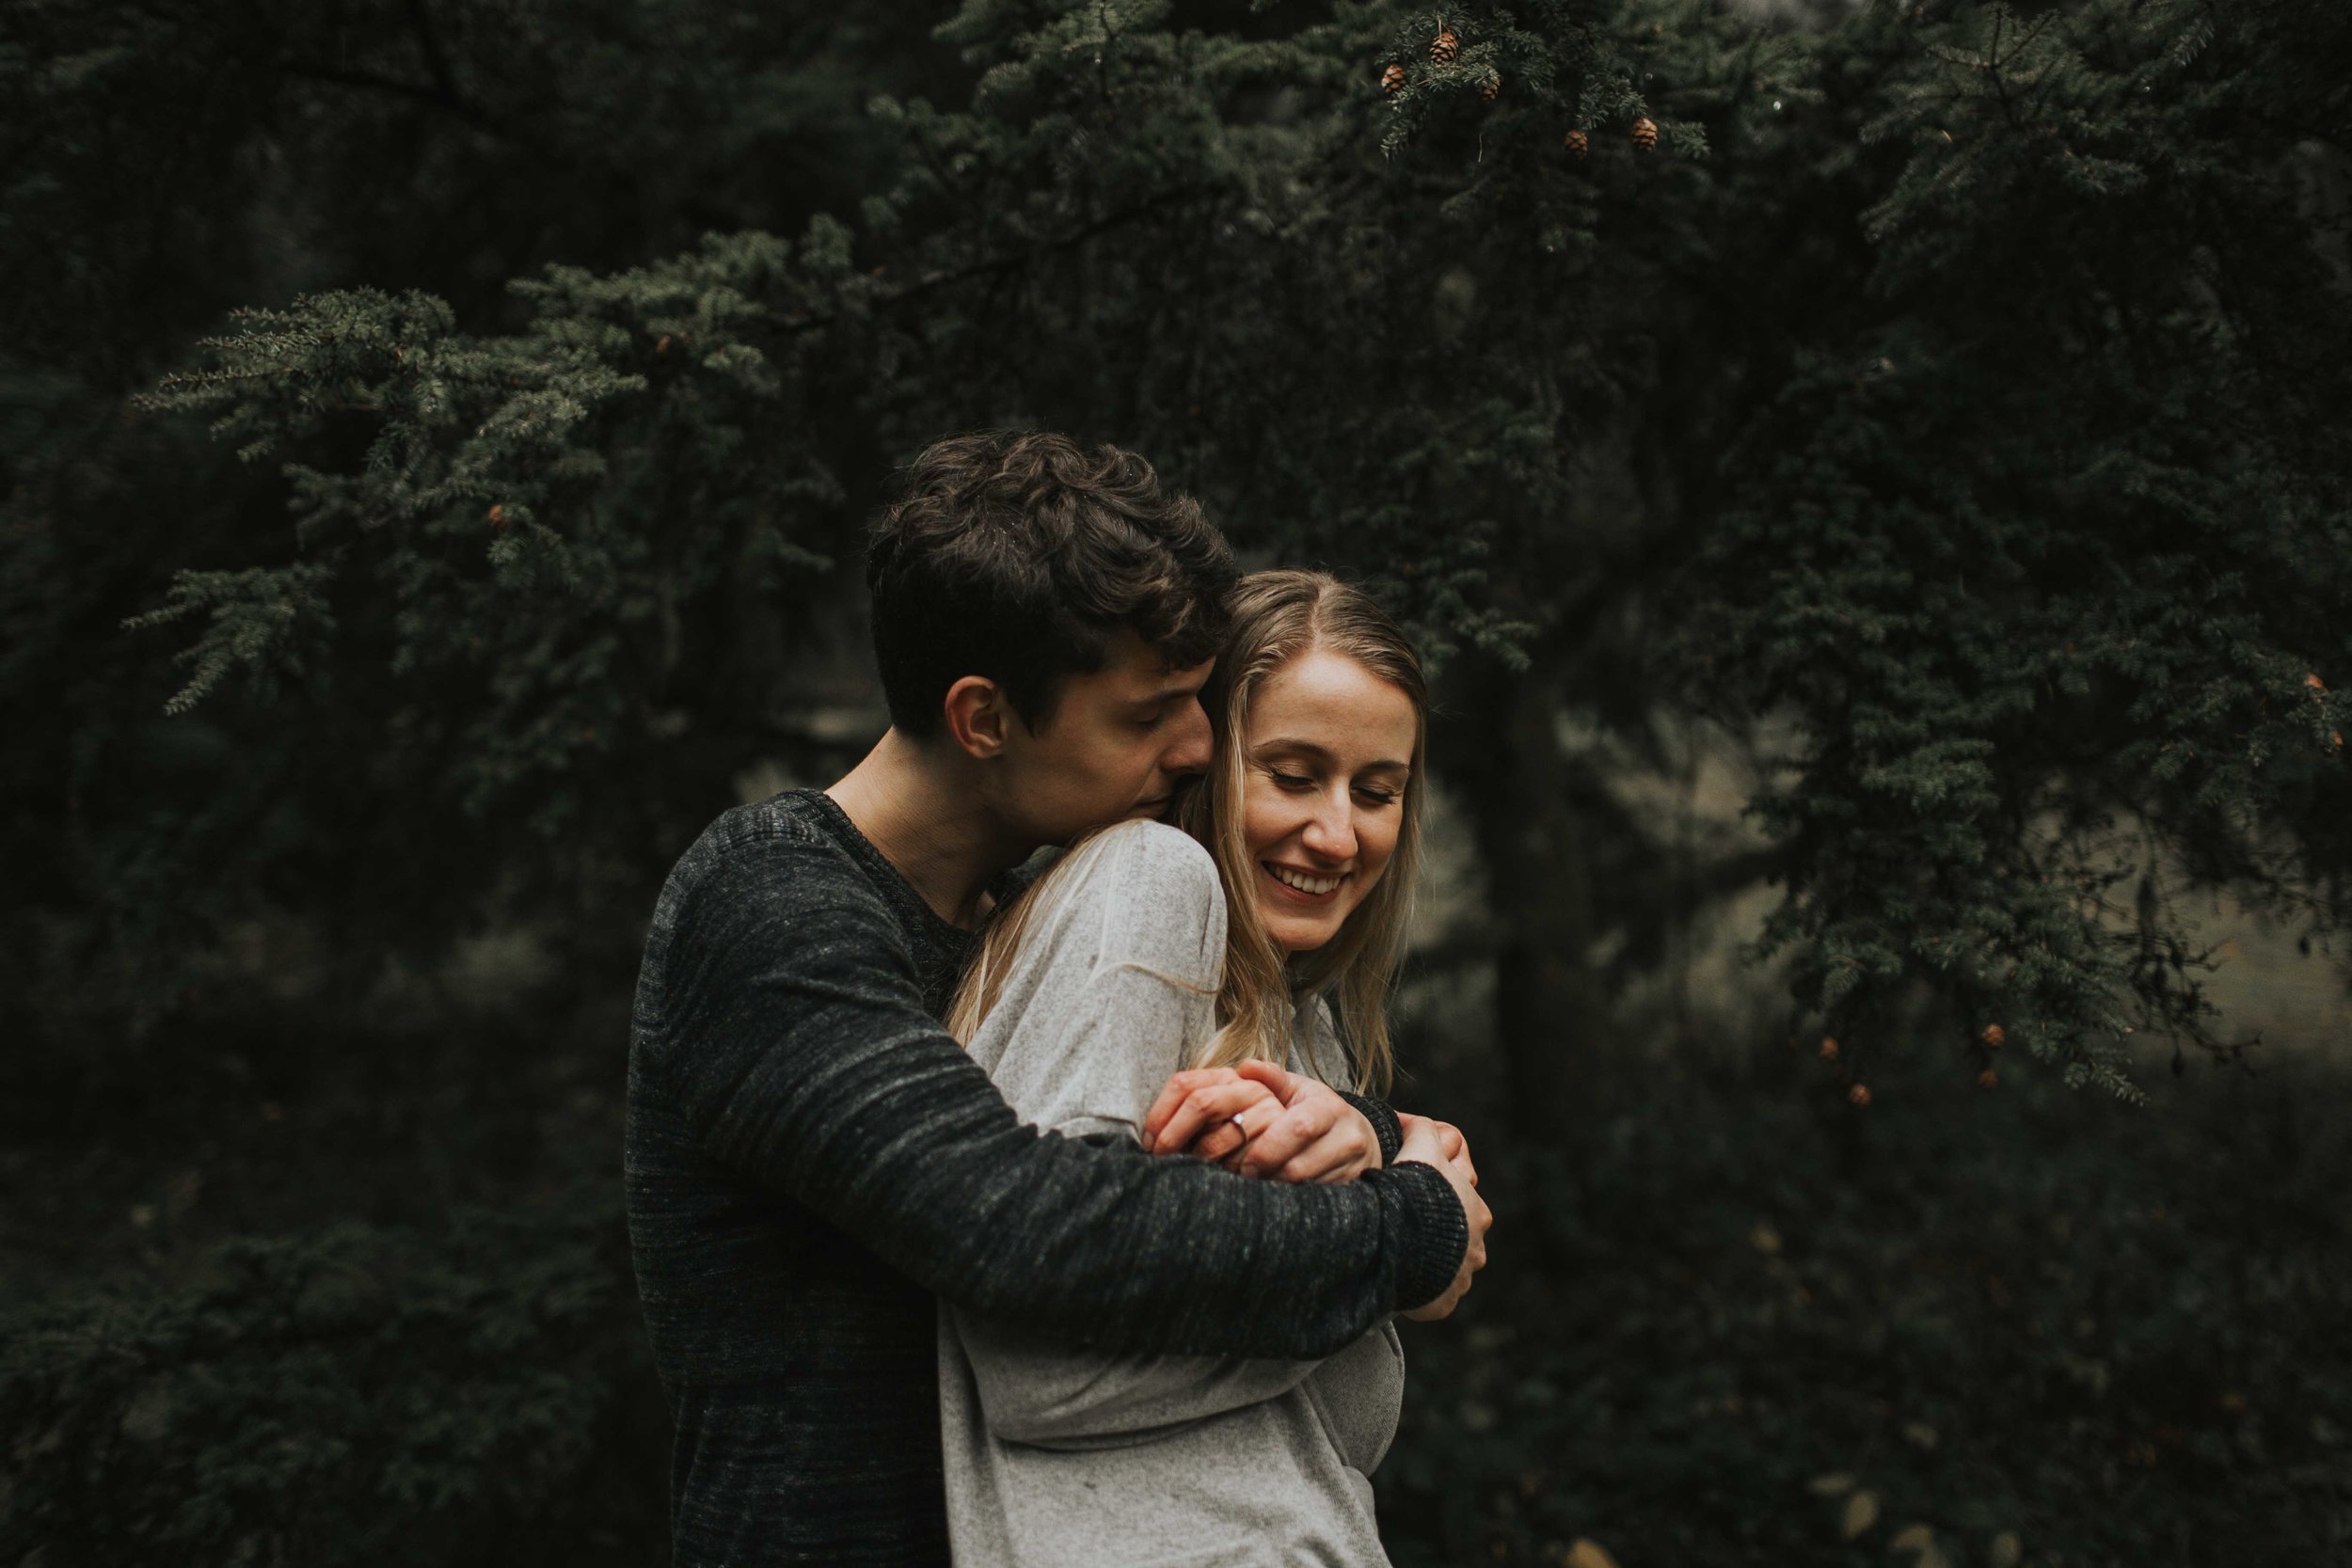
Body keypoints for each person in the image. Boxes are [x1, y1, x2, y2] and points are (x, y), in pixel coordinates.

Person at [625, 433, 1491, 1566]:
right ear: (983, 718)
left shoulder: (1020, 911)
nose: (1199, 746)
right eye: (1148, 715)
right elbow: (1024, 1222)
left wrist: (1363, 1128)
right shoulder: (774, 911)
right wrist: (1408, 1225)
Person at [935, 569, 1467, 1566]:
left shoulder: (1300, 1021)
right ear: (1201, 760)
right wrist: (1405, 1232)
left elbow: (1342, 1434)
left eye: (1377, 791)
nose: (1338, 834)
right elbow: (1041, 1373)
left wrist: (1377, 1151)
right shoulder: (1149, 881)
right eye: (1293, 774)